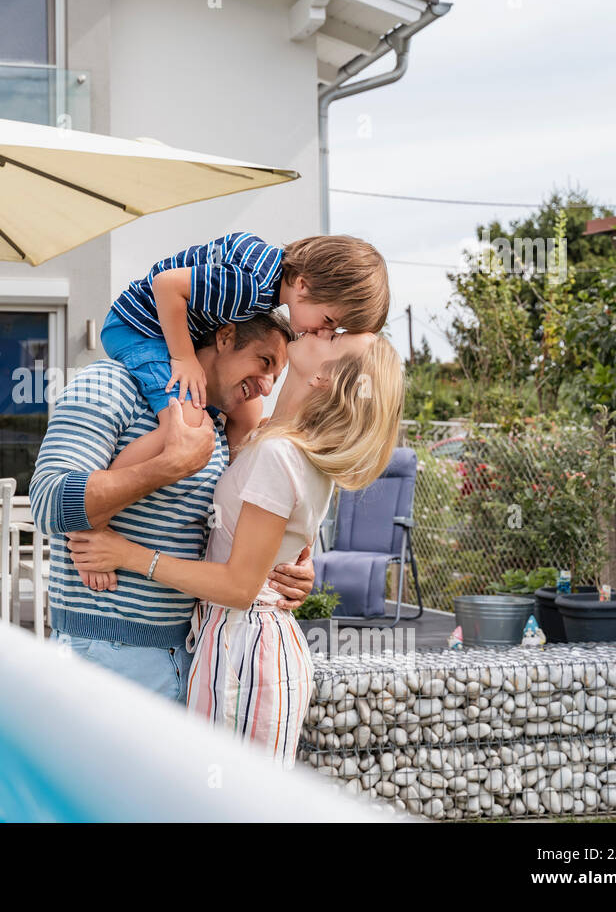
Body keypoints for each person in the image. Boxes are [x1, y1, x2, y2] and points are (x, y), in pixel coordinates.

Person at [66, 331, 404, 765]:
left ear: (325, 377)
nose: (322, 330)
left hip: (246, 647)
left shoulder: (280, 453)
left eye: (335, 339)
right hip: (235, 638)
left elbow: (240, 586)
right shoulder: (274, 441)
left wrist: (128, 554)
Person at [27, 310, 316, 704]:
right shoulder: (107, 384)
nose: (265, 386)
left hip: (195, 651)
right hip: (107, 655)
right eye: (264, 363)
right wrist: (168, 466)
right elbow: (47, 504)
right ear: (225, 337)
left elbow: (230, 528)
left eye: (275, 377)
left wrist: (286, 567)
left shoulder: (218, 423)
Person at [76, 232, 389, 590]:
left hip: (189, 625)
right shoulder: (251, 287)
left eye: (333, 331)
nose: (321, 330)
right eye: (330, 323)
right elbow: (167, 286)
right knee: (187, 424)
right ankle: (93, 523)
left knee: (235, 416)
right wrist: (184, 358)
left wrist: (281, 555)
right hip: (140, 329)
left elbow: (247, 506)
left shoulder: (269, 436)